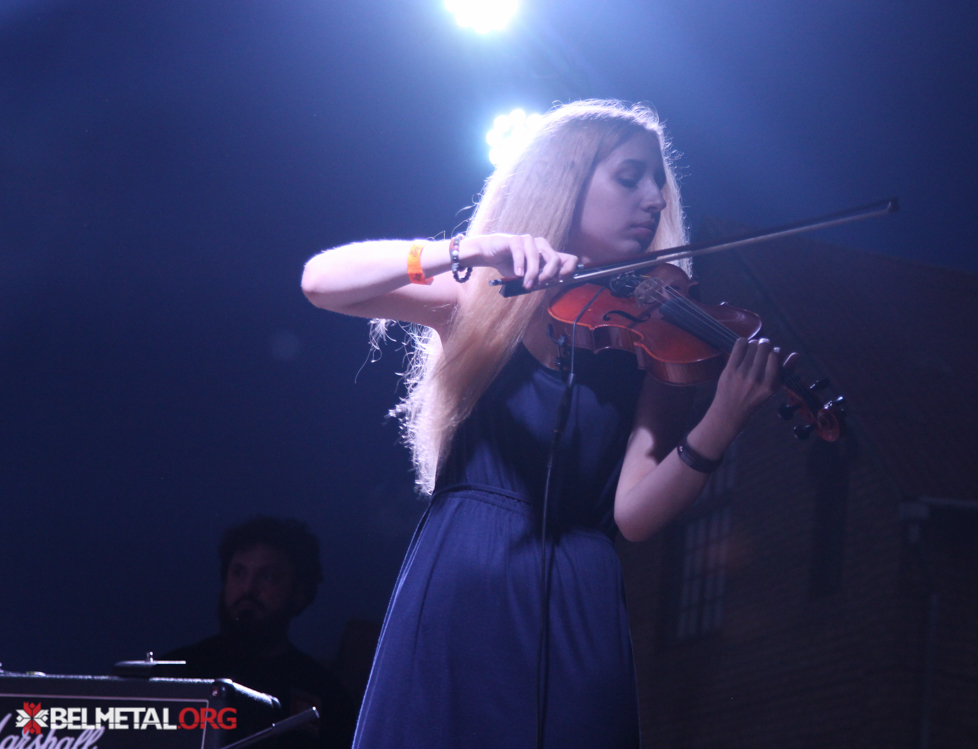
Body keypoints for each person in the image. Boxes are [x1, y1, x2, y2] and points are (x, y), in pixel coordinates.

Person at [300, 100, 788, 748]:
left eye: (658, 184)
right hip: (465, 567)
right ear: (566, 180)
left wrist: (721, 421)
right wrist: (467, 250)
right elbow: (322, 282)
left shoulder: (659, 339)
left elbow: (635, 514)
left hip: (580, 592)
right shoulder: (482, 295)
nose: (653, 199)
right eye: (630, 177)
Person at [165, 516, 357, 749]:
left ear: (299, 593)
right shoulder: (175, 674)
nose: (248, 589)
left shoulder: (326, 695)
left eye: (267, 577)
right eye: (238, 573)